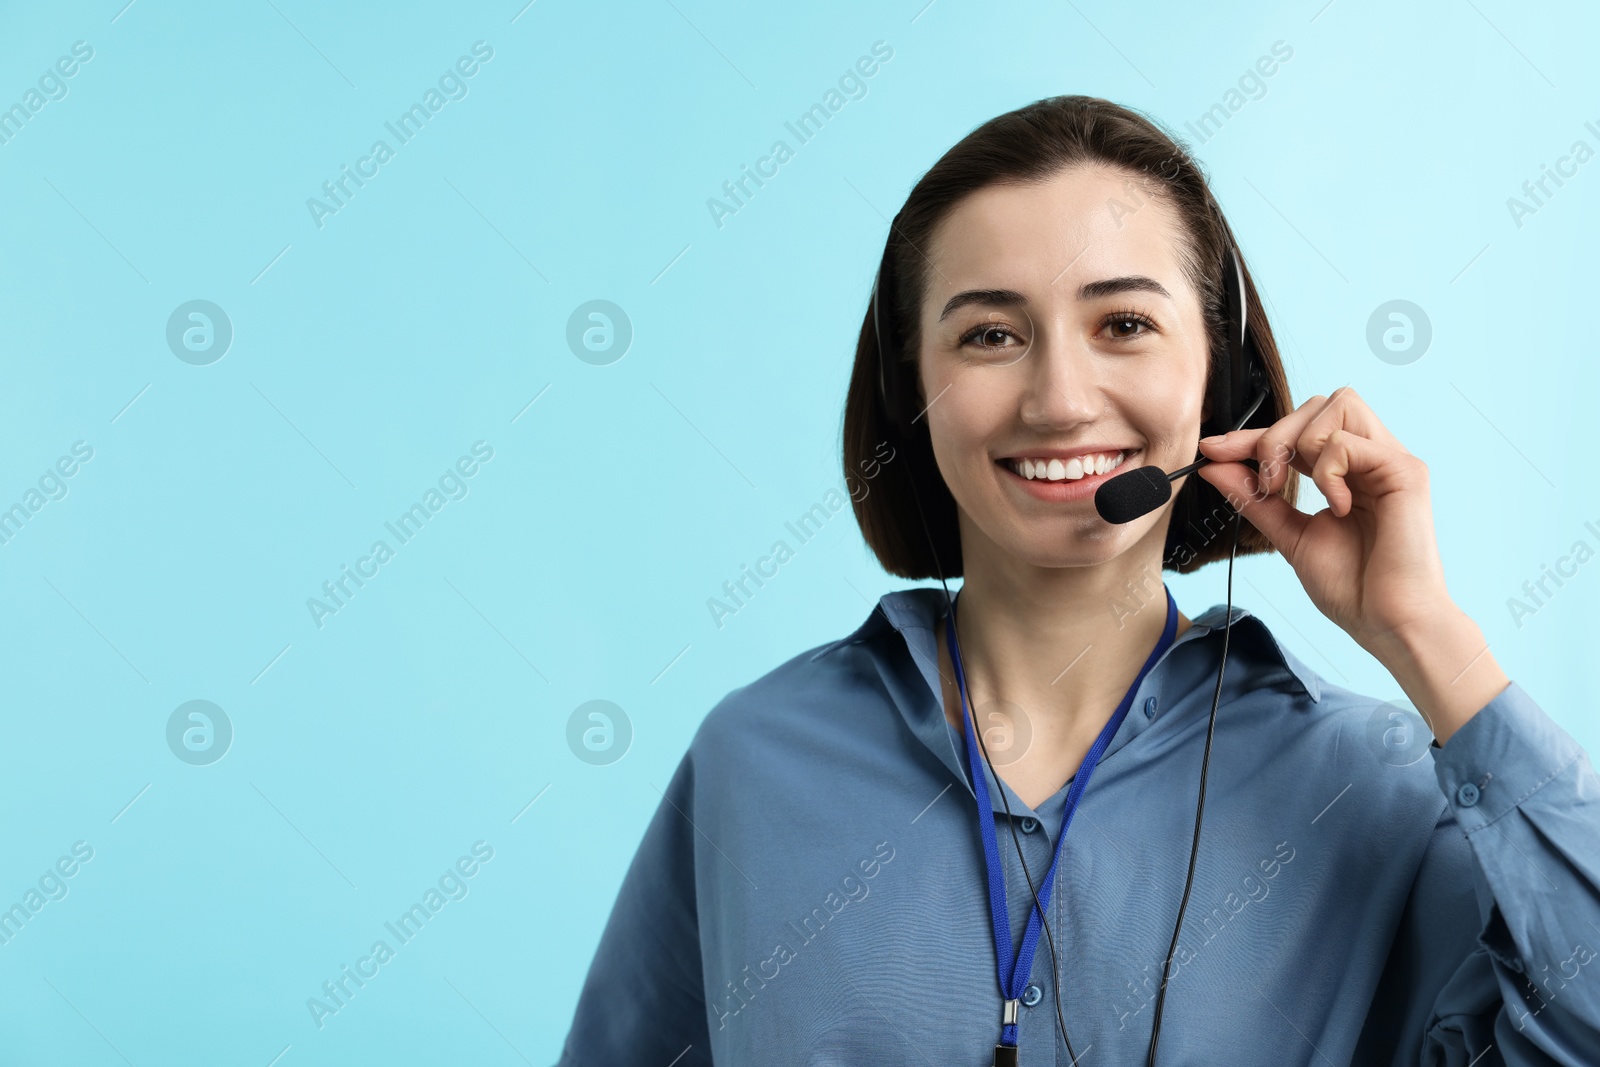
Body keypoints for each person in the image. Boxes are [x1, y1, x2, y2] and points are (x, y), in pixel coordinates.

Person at [555, 96, 1600, 1066]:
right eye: (991, 335)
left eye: (1124, 324)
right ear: (909, 386)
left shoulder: (1370, 786)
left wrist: (1428, 636)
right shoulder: (757, 759)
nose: (1059, 399)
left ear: (1217, 376)